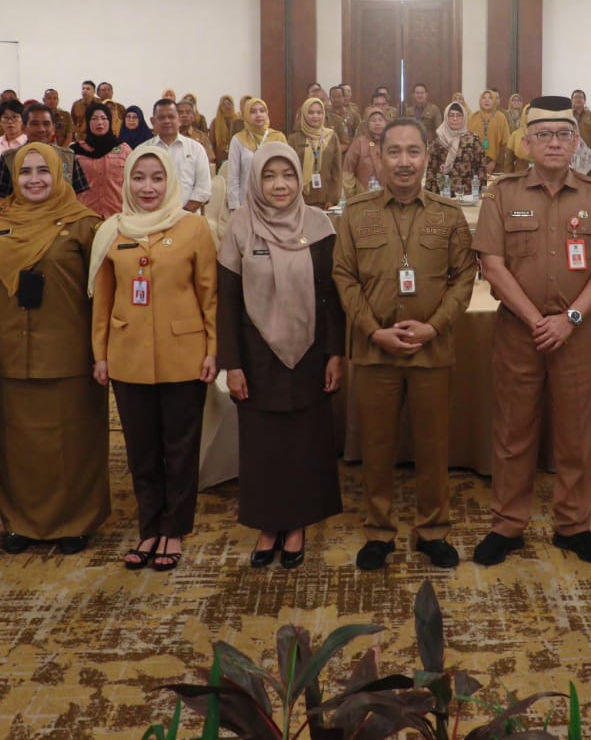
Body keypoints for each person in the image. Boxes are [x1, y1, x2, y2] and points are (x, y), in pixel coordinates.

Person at [472, 97, 591, 567]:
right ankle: (507, 524)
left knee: (575, 432)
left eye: (563, 134)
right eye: (543, 134)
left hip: (576, 332)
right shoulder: (501, 195)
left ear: (576, 141)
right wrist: (535, 319)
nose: (555, 143)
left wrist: (571, 319)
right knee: (513, 430)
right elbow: (492, 264)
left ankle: (573, 525)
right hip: (519, 331)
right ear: (526, 142)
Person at [333, 119, 474, 570]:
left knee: (434, 446)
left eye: (413, 151)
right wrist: (373, 330)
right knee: (376, 446)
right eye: (394, 152)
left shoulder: (448, 215)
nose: (404, 161)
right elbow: (344, 276)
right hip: (375, 351)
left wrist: (434, 327)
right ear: (379, 157)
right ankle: (379, 531)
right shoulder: (355, 213)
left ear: (427, 158)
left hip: (431, 351)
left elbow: (464, 277)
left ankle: (433, 530)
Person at [90, 144, 219, 572]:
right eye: (139, 178)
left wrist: (214, 349)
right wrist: (100, 354)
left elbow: (210, 296)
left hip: (185, 353)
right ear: (127, 181)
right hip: (128, 357)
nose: (148, 187)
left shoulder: (195, 228)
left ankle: (175, 528)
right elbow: (103, 301)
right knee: (141, 449)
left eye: (157, 178)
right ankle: (149, 527)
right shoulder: (112, 230)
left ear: (171, 181)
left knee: (180, 448)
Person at [218, 143, 345, 569]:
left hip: (310, 352)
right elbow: (228, 302)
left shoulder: (320, 224)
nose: (279, 185)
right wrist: (231, 364)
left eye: (288, 175)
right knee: (262, 444)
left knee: (305, 442)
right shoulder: (240, 226)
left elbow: (331, 297)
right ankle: (268, 524)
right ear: (256, 179)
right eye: (269, 175)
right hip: (256, 356)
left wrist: (334, 353)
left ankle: (297, 524)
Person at [0, 144, 108, 555]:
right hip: (9, 350)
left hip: (70, 351)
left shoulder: (85, 225)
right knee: (16, 443)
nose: (34, 179)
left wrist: (102, 350)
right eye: (25, 172)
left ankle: (77, 520)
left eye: (44, 171)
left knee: (73, 441)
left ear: (60, 175)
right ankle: (20, 522)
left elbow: (103, 295)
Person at [0, 104, 92, 210]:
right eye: (34, 124)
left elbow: (80, 197)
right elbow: (0, 199)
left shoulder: (68, 157)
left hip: (63, 222)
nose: (41, 129)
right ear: (24, 128)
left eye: (46, 124)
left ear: (53, 128)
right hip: (22, 222)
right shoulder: (9, 159)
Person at [148, 98, 212, 211]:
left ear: (178, 120)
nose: (167, 121)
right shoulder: (144, 150)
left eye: (171, 117)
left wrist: (183, 214)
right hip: (151, 218)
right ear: (153, 121)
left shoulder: (196, 149)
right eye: (161, 117)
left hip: (187, 218)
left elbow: (203, 188)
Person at [226, 96, 288, 210]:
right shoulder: (238, 139)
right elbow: (233, 176)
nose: (258, 114)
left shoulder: (278, 137)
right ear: (245, 115)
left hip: (275, 201)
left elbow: (287, 171)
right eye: (253, 112)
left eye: (262, 111)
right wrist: (234, 206)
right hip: (247, 202)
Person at [74, 102, 131, 219]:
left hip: (118, 216)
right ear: (88, 122)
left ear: (110, 121)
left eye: (104, 118)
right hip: (85, 217)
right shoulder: (75, 151)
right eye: (94, 119)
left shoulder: (123, 149)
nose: (99, 123)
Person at [288, 98, 343, 209]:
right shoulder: (294, 138)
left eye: (319, 112)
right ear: (303, 114)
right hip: (300, 198)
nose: (315, 116)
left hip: (325, 198)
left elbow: (336, 170)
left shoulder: (331, 136)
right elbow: (290, 170)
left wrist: (332, 198)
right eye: (311, 112)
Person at [426, 100, 488, 196]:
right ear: (446, 117)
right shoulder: (438, 141)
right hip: (443, 193)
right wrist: (430, 195)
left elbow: (481, 169)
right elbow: (431, 170)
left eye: (459, 115)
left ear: (464, 118)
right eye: (451, 115)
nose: (455, 119)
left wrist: (481, 193)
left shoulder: (473, 140)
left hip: (467, 193)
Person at [0, 100, 28, 191]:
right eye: (5, 118)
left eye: (15, 117)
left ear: (23, 119)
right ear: (0, 121)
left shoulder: (29, 143)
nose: (10, 122)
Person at [343, 106, 388, 193]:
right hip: (363, 196)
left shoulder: (391, 143)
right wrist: (352, 196)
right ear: (367, 124)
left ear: (386, 123)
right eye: (373, 120)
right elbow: (348, 172)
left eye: (380, 120)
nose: (377, 123)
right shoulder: (358, 143)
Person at [468, 90, 512, 174]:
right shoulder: (473, 117)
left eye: (490, 98)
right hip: (474, 163)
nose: (486, 100)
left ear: (495, 101)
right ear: (480, 100)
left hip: (497, 165)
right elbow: (467, 141)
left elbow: (506, 142)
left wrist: (494, 161)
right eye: (484, 98)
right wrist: (476, 162)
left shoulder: (501, 118)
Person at [210, 94, 241, 164]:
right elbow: (212, 141)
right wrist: (213, 158)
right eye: (224, 104)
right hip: (220, 155)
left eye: (229, 104)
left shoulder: (238, 120)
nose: (227, 106)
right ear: (220, 107)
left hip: (236, 154)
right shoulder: (215, 121)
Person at [571, 89, 591, 155]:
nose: (578, 99)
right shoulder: (567, 115)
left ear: (585, 101)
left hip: (586, 154)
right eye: (575, 97)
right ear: (571, 100)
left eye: (580, 97)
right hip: (569, 154)